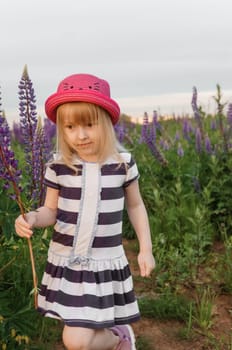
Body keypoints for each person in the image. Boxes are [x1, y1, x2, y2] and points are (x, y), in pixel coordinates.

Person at [15, 73, 155, 350]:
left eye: (89, 125)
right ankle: (115, 338)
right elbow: (50, 211)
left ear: (106, 122)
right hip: (68, 263)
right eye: (69, 127)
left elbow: (136, 205)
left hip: (104, 264)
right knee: (80, 339)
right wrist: (31, 217)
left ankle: (117, 337)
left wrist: (146, 248)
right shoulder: (58, 166)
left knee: (78, 340)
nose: (80, 135)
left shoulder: (122, 164)